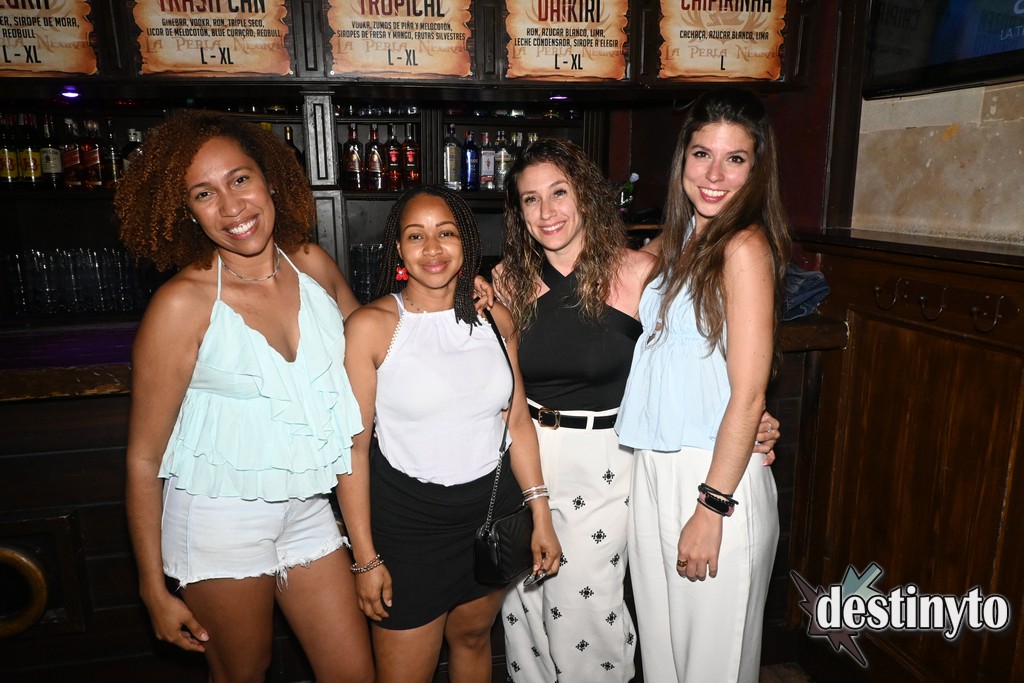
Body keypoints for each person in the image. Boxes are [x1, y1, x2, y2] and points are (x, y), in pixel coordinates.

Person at [493, 138, 780, 682]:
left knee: (586, 607)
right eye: (530, 199)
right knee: (524, 611)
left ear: (585, 195)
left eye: (560, 192)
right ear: (518, 212)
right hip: (525, 456)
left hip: (606, 459)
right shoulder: (505, 281)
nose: (547, 211)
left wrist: (750, 416)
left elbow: (697, 354)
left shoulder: (642, 272)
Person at [118, 110, 374, 682]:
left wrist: (460, 298)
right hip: (217, 518)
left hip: (308, 505)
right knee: (243, 673)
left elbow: (378, 349)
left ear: (269, 179)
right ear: (186, 211)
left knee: (353, 673)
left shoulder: (311, 264)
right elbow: (143, 457)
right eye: (204, 193)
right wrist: (151, 586)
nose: (231, 207)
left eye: (240, 179)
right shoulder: (181, 304)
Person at [338, 185, 561, 683]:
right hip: (409, 529)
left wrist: (541, 516)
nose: (432, 249)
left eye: (446, 233)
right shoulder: (371, 327)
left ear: (467, 242)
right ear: (398, 249)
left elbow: (516, 422)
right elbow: (352, 449)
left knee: (474, 640)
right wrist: (365, 558)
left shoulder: (496, 319)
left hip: (488, 516)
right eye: (416, 236)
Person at [616, 87, 790, 682]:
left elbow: (749, 394)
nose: (714, 175)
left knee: (711, 667)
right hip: (656, 465)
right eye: (701, 155)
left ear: (756, 168)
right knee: (664, 662)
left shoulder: (743, 246)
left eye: (734, 159)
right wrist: (491, 283)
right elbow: (608, 271)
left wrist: (712, 507)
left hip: (713, 478)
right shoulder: (684, 235)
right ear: (683, 160)